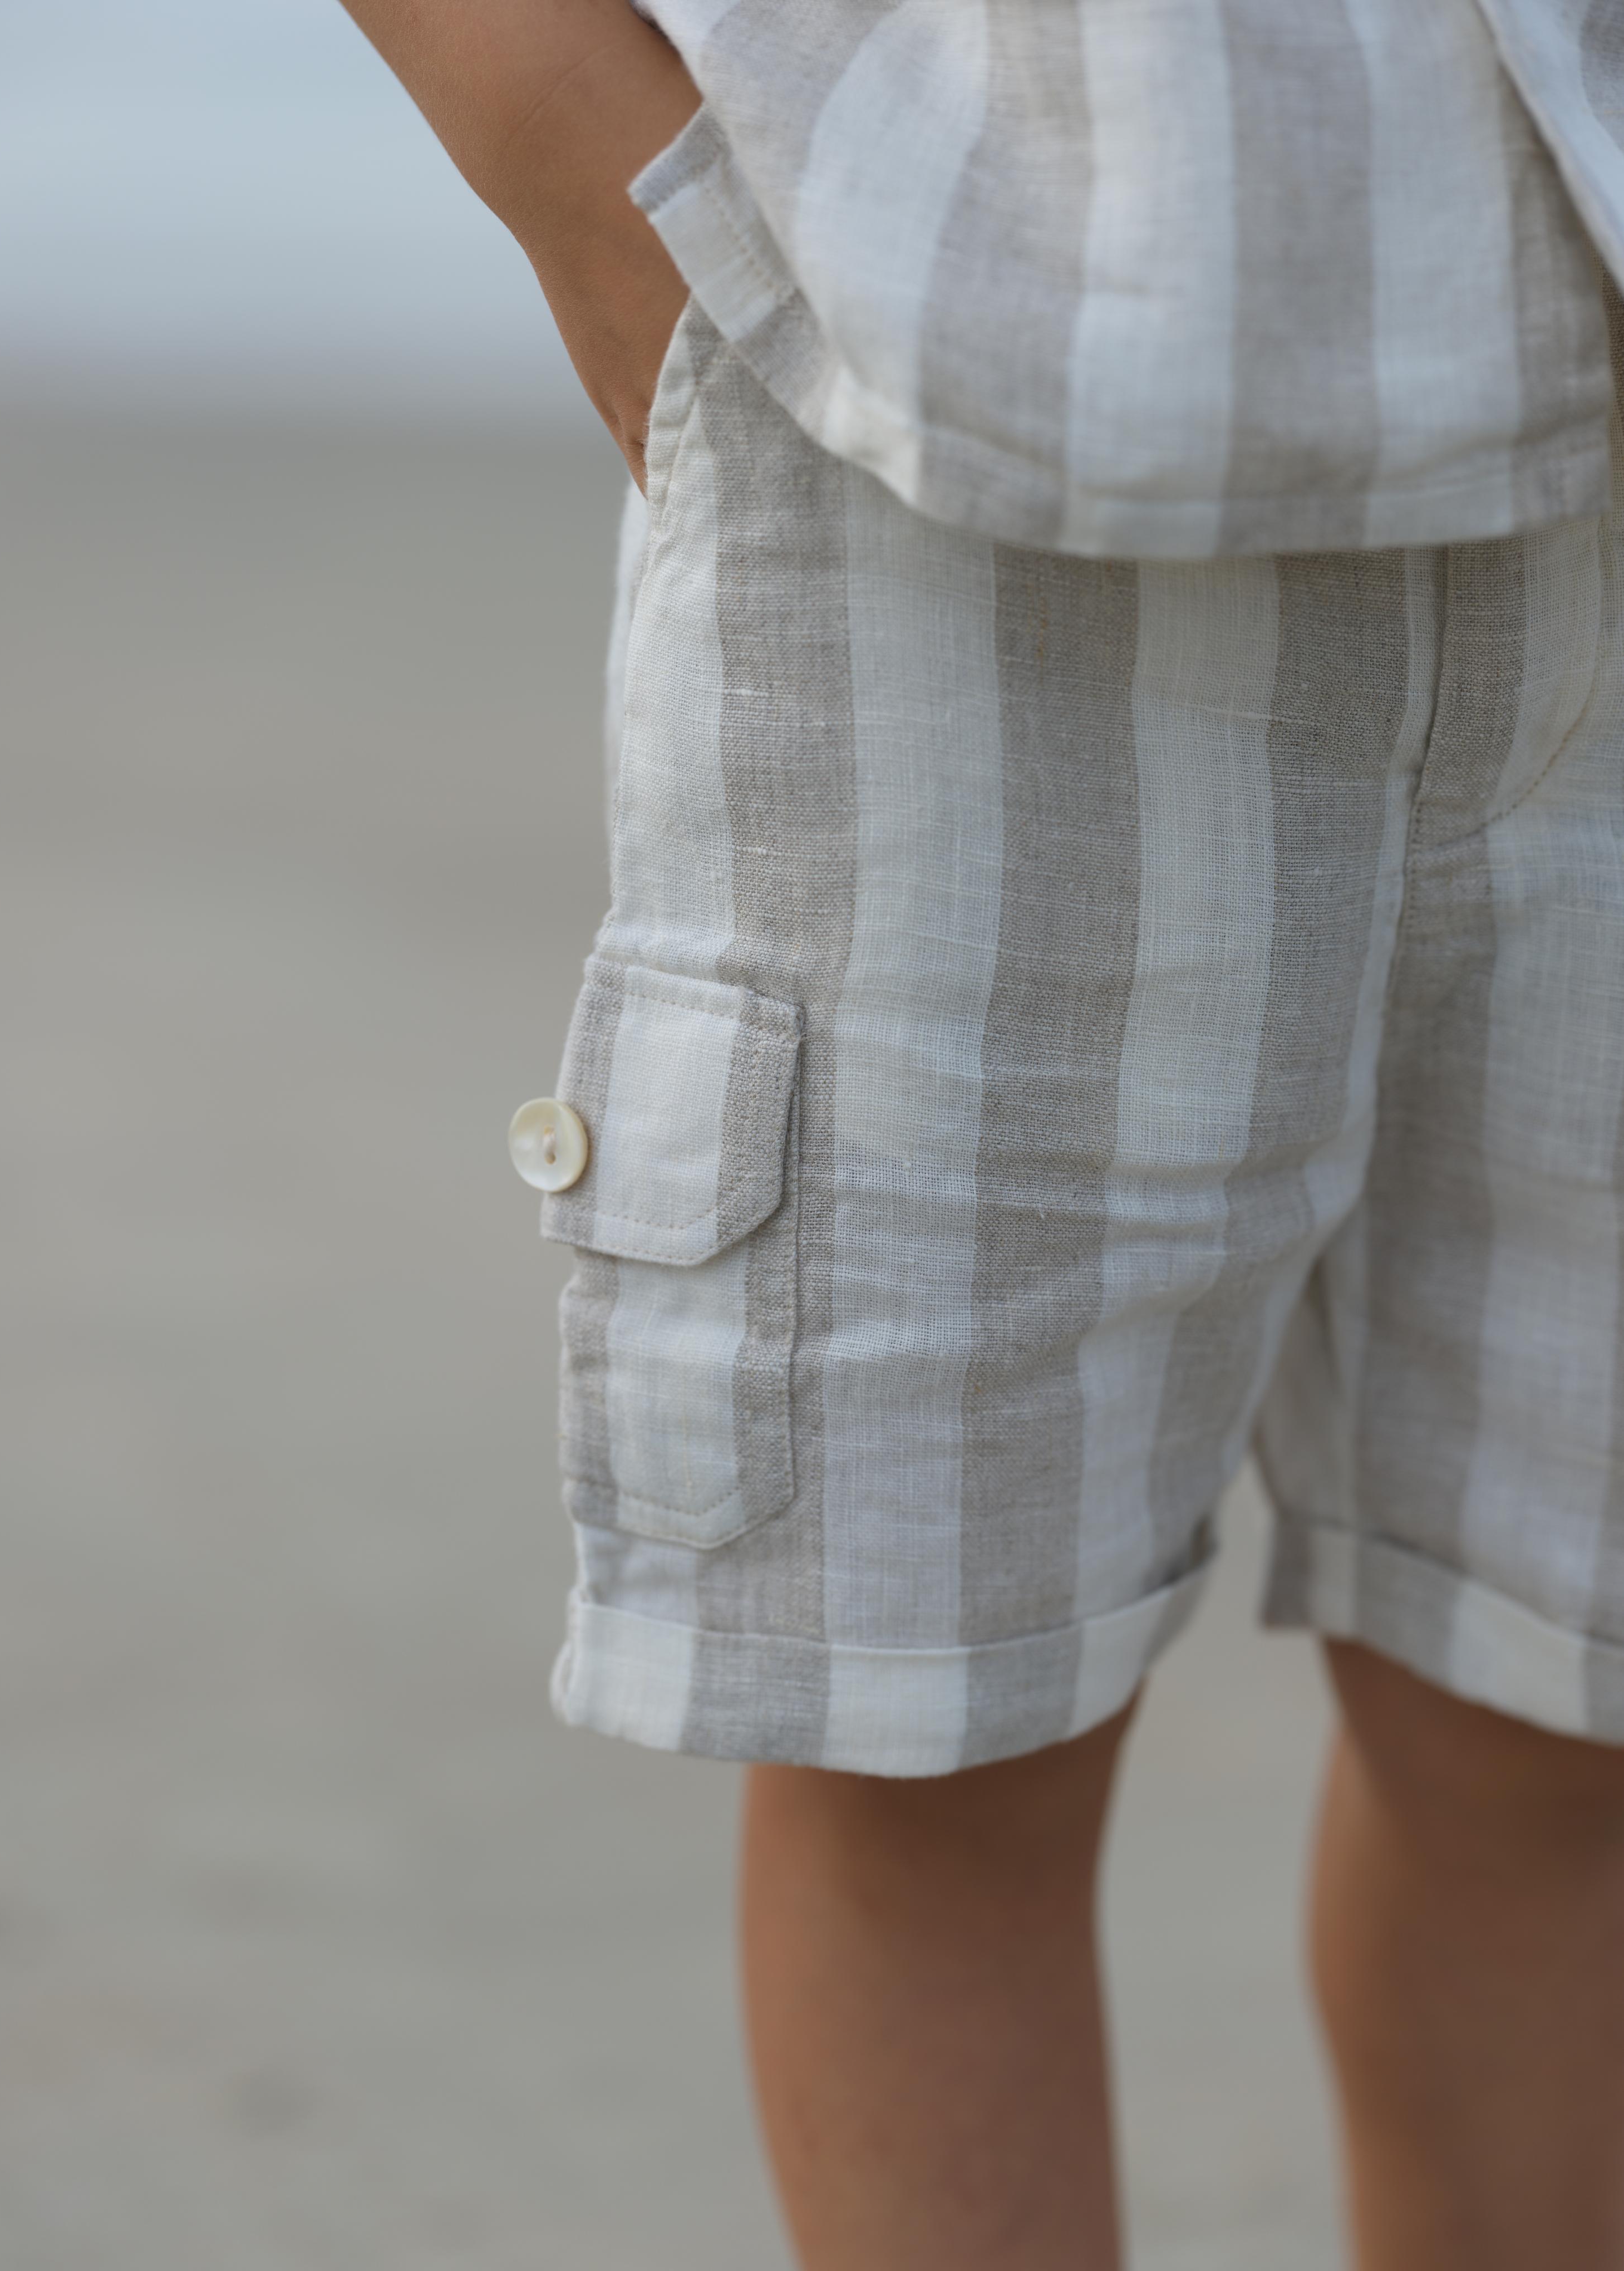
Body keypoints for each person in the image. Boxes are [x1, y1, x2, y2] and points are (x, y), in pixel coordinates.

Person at [339, 3, 1624, 2263]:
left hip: (1583, 386)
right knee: (933, 1725)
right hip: (950, 438)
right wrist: (567, 147)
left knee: (1560, 1701)